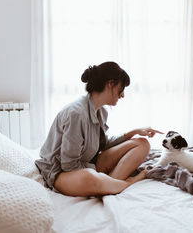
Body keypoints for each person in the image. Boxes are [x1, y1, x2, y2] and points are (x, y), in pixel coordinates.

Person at [35, 61, 163, 197]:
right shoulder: (76, 114)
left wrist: (134, 132)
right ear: (111, 84)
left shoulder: (101, 111)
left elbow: (102, 143)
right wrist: (96, 171)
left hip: (88, 162)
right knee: (89, 177)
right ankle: (125, 184)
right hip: (60, 172)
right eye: (122, 88)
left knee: (142, 144)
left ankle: (110, 184)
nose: (123, 95)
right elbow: (69, 165)